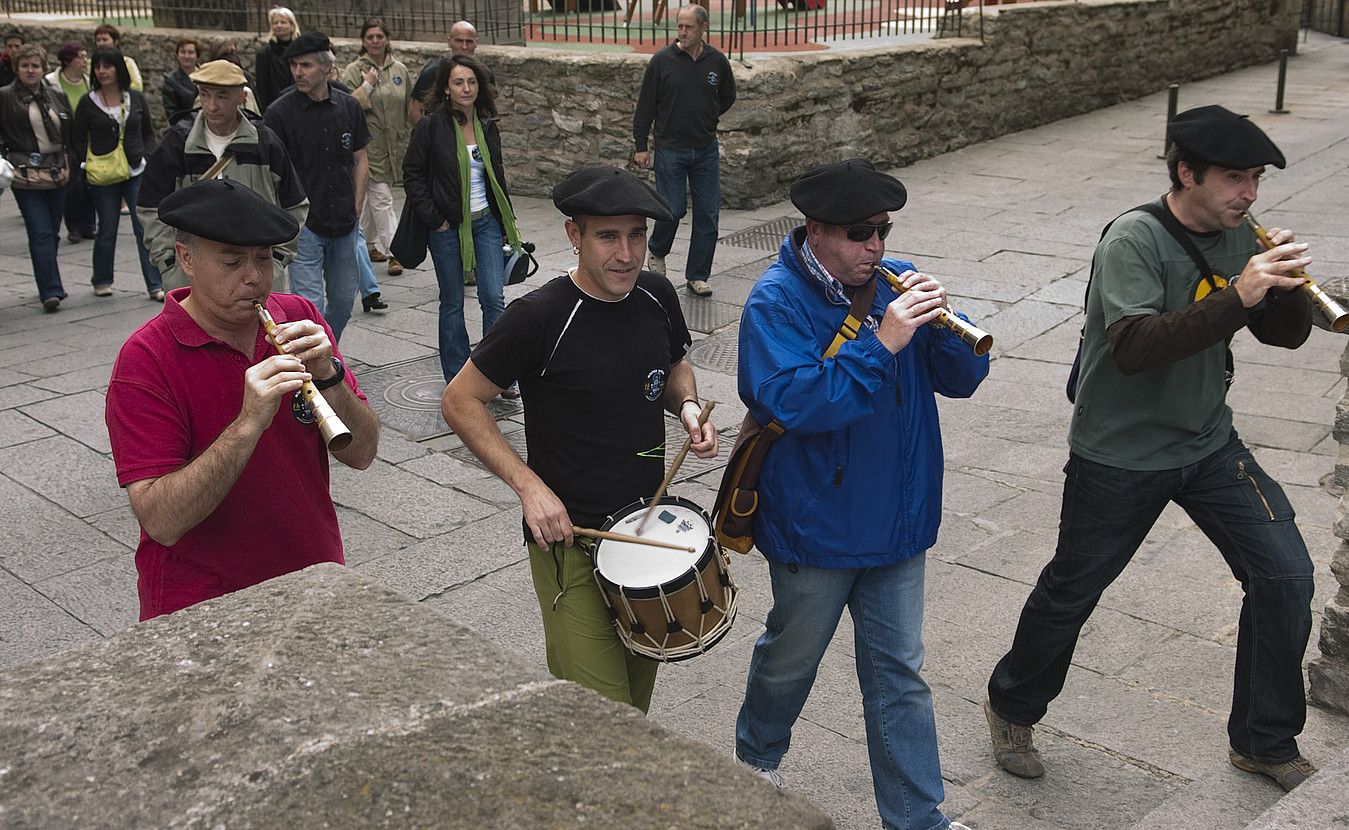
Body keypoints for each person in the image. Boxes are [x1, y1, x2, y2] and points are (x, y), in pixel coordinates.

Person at [984, 105, 1319, 793]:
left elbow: (1281, 338)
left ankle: (1262, 739)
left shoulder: (1239, 237)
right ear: (1185, 171)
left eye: (1254, 179)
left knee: (1284, 574)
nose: (1248, 195)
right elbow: (1135, 347)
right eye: (1233, 178)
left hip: (1206, 442)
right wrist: (1238, 292)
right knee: (1072, 590)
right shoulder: (1132, 240)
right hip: (1118, 453)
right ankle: (1012, 705)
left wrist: (1279, 287)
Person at [732, 159, 984, 830]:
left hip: (897, 520)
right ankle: (755, 757)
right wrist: (885, 340)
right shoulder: (775, 301)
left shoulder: (888, 277)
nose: (874, 246)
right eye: (857, 233)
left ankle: (916, 818)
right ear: (815, 231)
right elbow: (793, 401)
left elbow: (960, 381)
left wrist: (945, 325)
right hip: (818, 527)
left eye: (882, 230)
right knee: (790, 662)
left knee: (898, 677)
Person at [440, 165, 718, 712]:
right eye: (608, 236)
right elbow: (459, 400)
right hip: (571, 540)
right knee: (598, 714)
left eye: (637, 235)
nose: (626, 253)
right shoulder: (537, 316)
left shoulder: (658, 295)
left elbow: (674, 363)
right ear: (575, 235)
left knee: (633, 710)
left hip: (644, 533)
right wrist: (528, 487)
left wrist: (686, 404)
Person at [105, 178, 379, 621]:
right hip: (199, 603)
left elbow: (363, 452)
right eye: (232, 262)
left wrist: (329, 376)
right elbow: (161, 521)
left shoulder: (301, 317)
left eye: (264, 258)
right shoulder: (144, 360)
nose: (254, 277)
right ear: (186, 259)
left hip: (312, 577)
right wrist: (248, 424)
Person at [138, 59, 308, 293]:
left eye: (222, 96)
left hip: (254, 276)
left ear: (241, 96)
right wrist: (170, 263)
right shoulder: (178, 143)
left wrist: (277, 259)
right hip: (194, 277)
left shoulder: (265, 143)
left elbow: (295, 206)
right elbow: (149, 206)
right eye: (205, 95)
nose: (211, 106)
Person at [403, 54, 520, 384]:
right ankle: (457, 375)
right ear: (445, 89)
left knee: (493, 298)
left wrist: (504, 222)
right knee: (452, 301)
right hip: (447, 227)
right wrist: (435, 220)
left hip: (485, 223)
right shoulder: (431, 126)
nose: (466, 88)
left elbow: (496, 177)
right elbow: (412, 175)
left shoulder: (486, 125)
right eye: (458, 82)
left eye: (472, 81)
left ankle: (495, 372)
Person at [264, 32, 370, 344]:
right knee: (310, 307)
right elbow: (271, 172)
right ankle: (316, 370)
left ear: (326, 68)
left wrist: (357, 205)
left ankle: (325, 354)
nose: (298, 72)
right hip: (304, 226)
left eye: (306, 65)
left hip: (345, 221)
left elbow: (361, 159)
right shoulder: (279, 113)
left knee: (342, 302)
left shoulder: (349, 106)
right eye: (294, 65)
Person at [632, 4, 735, 298]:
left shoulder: (717, 61)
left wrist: (708, 117)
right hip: (670, 149)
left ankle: (698, 275)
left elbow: (727, 96)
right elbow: (645, 106)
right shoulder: (662, 61)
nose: (683, 32)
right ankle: (657, 250)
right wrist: (642, 145)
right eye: (679, 26)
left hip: (705, 149)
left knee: (708, 215)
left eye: (689, 27)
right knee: (673, 208)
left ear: (704, 28)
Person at [70, 47, 162, 301]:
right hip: (103, 174)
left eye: (107, 65)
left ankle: (155, 284)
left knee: (142, 227)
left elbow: (148, 132)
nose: (102, 71)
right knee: (107, 227)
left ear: (118, 69)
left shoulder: (135, 98)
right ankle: (102, 279)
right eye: (98, 66)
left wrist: (148, 156)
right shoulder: (88, 102)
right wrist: (85, 164)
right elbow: (77, 137)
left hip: (135, 169)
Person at [341, 18, 412, 292]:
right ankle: (395, 251)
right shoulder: (353, 70)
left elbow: (407, 104)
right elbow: (345, 106)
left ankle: (369, 244)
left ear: (386, 38)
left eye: (379, 36)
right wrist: (367, 86)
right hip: (366, 146)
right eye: (369, 36)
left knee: (373, 196)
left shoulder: (400, 69)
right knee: (382, 198)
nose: (374, 41)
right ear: (363, 41)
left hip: (393, 143)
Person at [1, 43, 73, 311]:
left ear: (44, 69)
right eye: (25, 65)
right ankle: (50, 290)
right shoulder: (5, 97)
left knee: (52, 232)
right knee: (40, 231)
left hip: (57, 171)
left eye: (35, 66)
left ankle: (49, 277)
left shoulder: (56, 95)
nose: (30, 70)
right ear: (16, 68)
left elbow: (69, 131)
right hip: (25, 173)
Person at [45, 41, 95, 245]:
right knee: (72, 185)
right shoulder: (51, 82)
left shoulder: (89, 81)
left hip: (87, 138)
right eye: (80, 57)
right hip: (65, 138)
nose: (85, 61)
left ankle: (90, 224)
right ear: (68, 60)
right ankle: (74, 226)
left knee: (90, 183)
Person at [409, 20, 490, 125]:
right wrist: (426, 136)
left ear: (476, 43)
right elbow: (415, 110)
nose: (464, 46)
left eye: (469, 41)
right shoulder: (432, 73)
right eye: (459, 41)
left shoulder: (485, 73)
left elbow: (488, 108)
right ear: (449, 42)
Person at [254, 6, 299, 111]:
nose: (279, 26)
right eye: (275, 23)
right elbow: (262, 86)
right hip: (275, 105)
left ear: (292, 25)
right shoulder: (264, 53)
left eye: (283, 22)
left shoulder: (299, 50)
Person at [161, 36, 199, 125]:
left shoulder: (207, 76)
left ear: (197, 56)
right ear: (177, 55)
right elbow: (172, 114)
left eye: (191, 52)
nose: (186, 56)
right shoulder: (170, 80)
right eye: (183, 52)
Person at [92, 24, 142, 90]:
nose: (101, 43)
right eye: (98, 40)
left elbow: (138, 86)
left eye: (105, 39)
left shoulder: (127, 62)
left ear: (116, 41)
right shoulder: (90, 63)